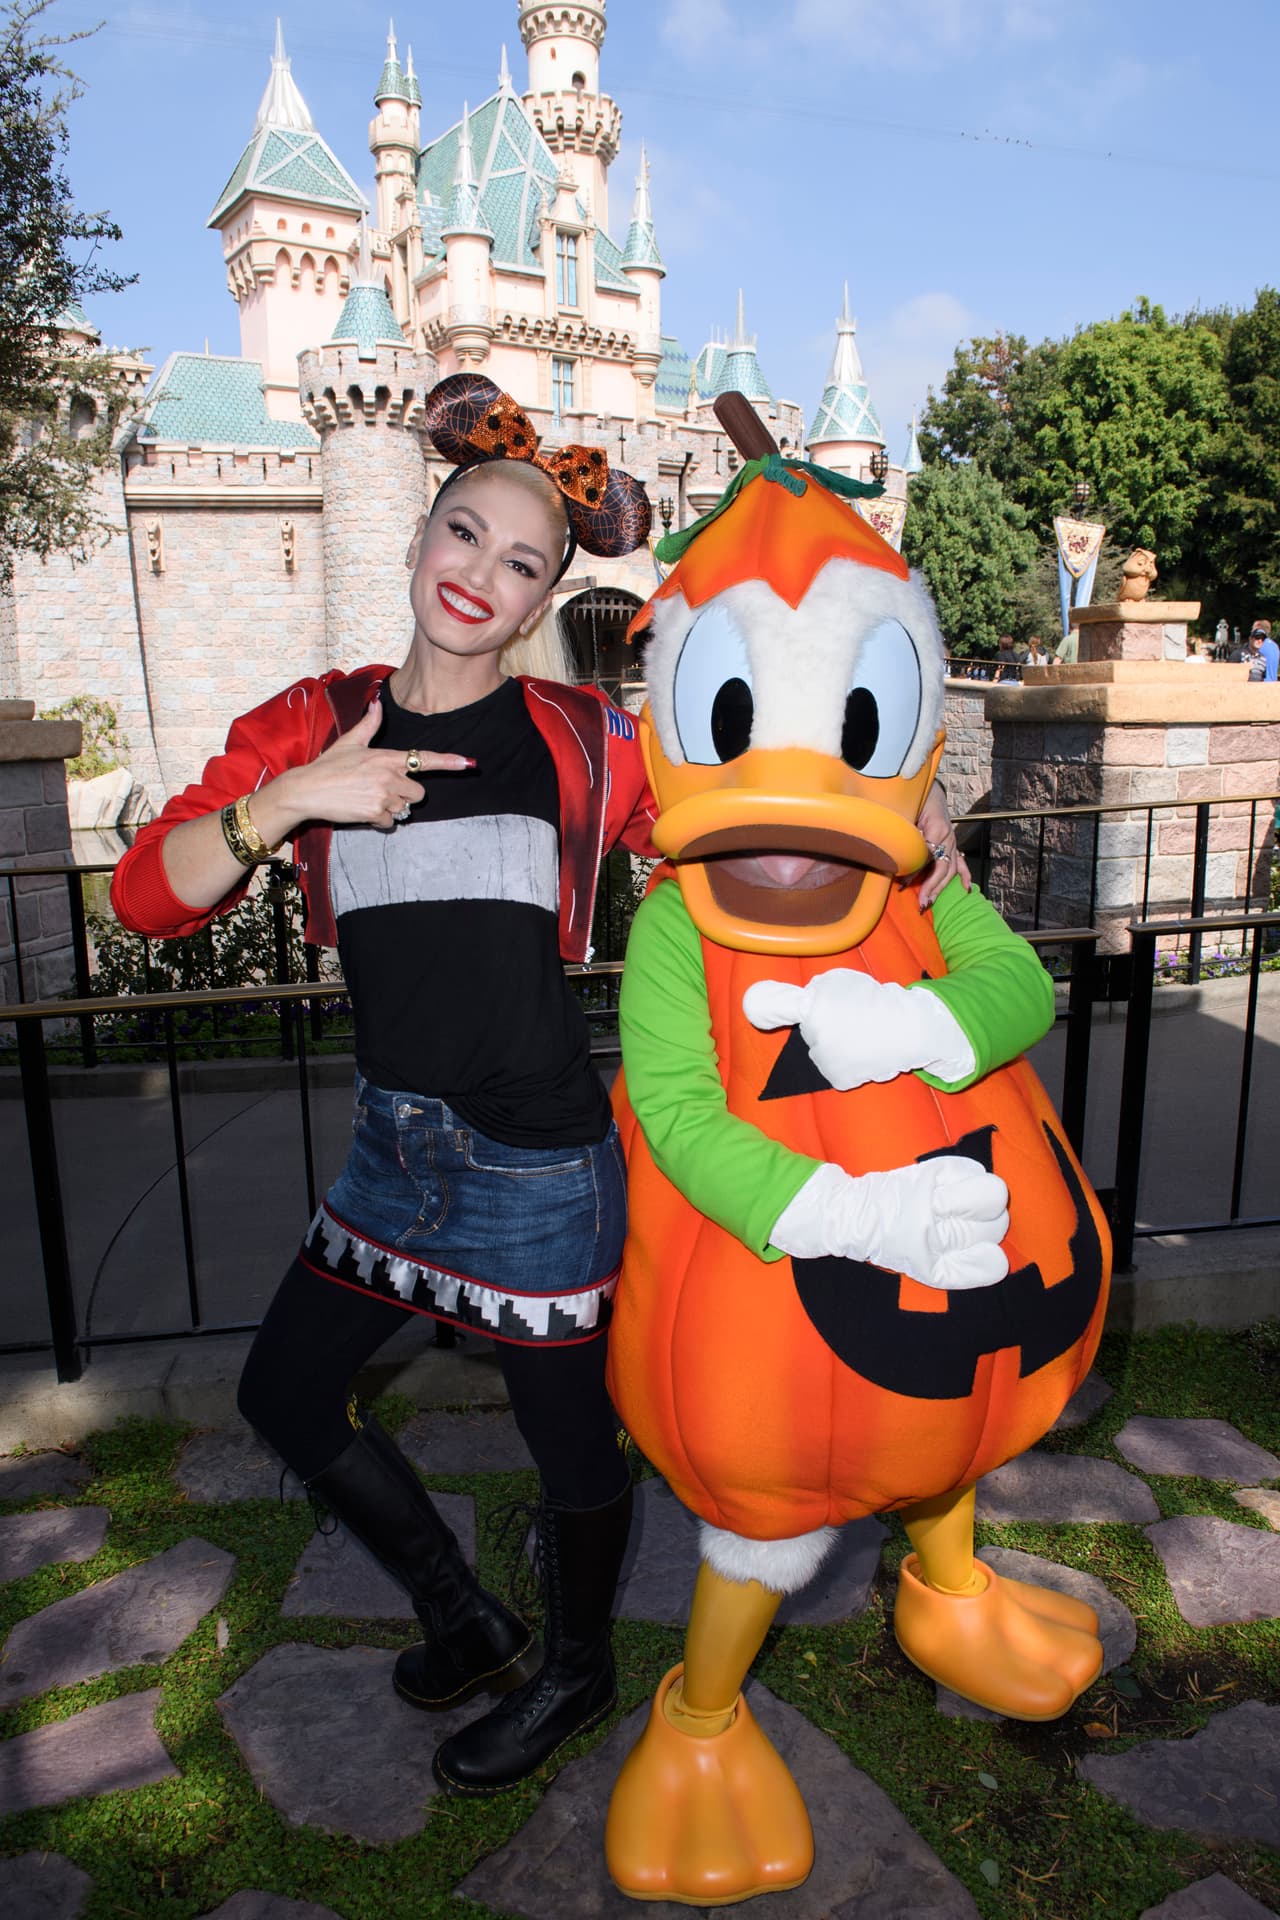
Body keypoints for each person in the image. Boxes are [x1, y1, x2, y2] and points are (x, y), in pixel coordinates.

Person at [110, 371, 967, 1797]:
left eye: (522, 563)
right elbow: (147, 898)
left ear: (539, 600)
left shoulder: (583, 742)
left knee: (569, 1449)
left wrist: (902, 804)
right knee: (286, 1395)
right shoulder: (311, 722)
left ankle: (575, 1674)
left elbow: (739, 807)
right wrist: (290, 801)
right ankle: (463, 1615)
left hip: (536, 1165)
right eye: (464, 534)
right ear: (417, 536)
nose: (480, 575)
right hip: (393, 1154)